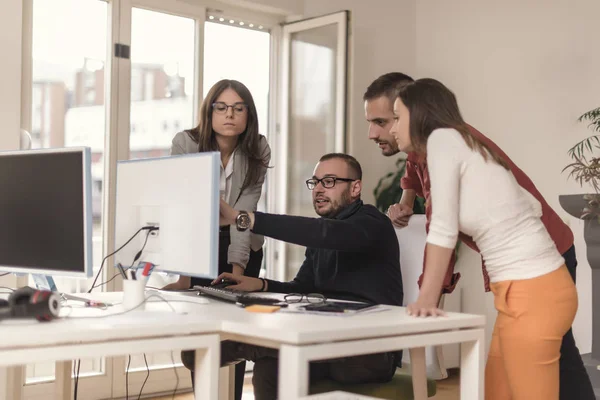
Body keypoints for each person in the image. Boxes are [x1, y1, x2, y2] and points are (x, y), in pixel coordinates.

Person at [364, 72, 594, 400]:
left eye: (394, 118)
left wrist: (427, 301)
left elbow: (442, 228)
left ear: (419, 113)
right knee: (499, 389)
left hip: (536, 286)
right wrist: (405, 199)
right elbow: (417, 176)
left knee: (551, 372)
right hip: (520, 288)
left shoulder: (443, 141)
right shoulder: (449, 143)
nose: (386, 129)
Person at [181, 153, 403, 400]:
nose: (318, 189)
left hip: (371, 352)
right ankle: (243, 344)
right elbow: (303, 288)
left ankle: (237, 344)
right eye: (315, 182)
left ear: (355, 187)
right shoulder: (323, 235)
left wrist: (245, 218)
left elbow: (326, 233)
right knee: (271, 365)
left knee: (267, 345)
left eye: (328, 181)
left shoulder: (371, 223)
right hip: (327, 340)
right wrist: (261, 285)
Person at [163, 79, 270, 400]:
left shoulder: (258, 148)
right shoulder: (185, 143)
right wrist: (184, 276)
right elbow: (185, 209)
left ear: (248, 115)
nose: (230, 115)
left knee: (233, 334)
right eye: (221, 107)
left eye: (239, 108)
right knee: (200, 333)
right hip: (199, 240)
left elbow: (245, 214)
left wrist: (237, 274)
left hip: (243, 241)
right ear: (208, 112)